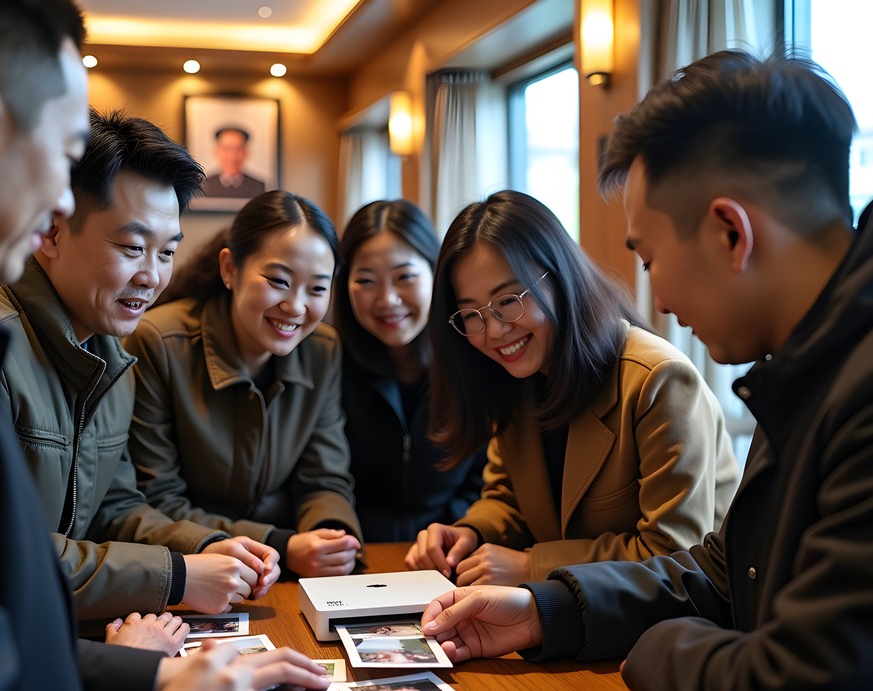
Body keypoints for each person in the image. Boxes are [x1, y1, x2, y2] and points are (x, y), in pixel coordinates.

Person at [0, 2, 329, 691]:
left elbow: (14, 617)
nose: (57, 199)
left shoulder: (68, 344)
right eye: (60, 153)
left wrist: (168, 668)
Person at [420, 49, 873, 691]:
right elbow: (719, 572)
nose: (659, 300)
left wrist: (657, 643)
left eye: (648, 258)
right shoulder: (807, 369)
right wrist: (546, 610)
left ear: (730, 232)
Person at [0, 107, 280, 625]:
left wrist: (211, 546)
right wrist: (177, 576)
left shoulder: (110, 353)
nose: (152, 276)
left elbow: (115, 508)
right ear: (52, 232)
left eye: (167, 253)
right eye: (133, 247)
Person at [404, 189, 739, 585]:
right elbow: (508, 497)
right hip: (570, 618)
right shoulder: (519, 378)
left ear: (558, 278)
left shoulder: (658, 380)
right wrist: (471, 533)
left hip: (675, 626)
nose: (493, 331)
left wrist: (532, 566)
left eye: (509, 300)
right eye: (471, 314)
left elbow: (674, 554)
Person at [124, 190, 364, 577]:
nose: (296, 307)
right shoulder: (159, 342)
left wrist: (328, 540)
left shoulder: (323, 349)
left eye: (317, 288)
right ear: (230, 269)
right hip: (191, 568)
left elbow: (324, 476)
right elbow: (156, 499)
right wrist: (280, 544)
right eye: (279, 281)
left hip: (285, 570)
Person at [333, 199, 486, 541]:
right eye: (367, 280)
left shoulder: (476, 355)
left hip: (452, 551)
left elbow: (488, 479)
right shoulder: (328, 362)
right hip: (352, 555)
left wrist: (452, 532)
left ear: (435, 273)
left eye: (405, 276)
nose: (387, 299)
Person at [201, 125, 266, 199]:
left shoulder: (258, 187)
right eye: (227, 148)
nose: (232, 156)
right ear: (216, 152)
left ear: (246, 153)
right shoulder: (203, 186)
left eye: (238, 149)